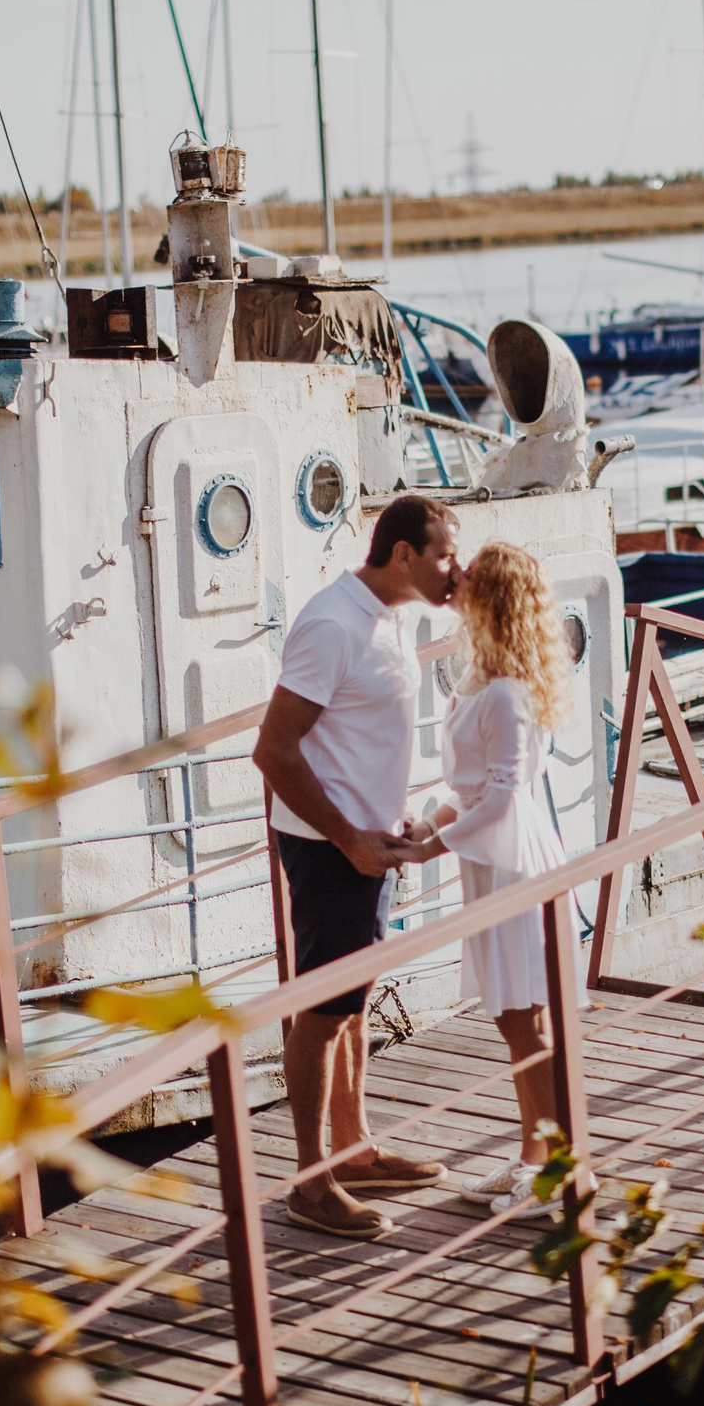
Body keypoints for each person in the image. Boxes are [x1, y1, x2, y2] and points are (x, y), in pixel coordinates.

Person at [251, 493, 458, 1239]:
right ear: (401, 553)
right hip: (327, 845)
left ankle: (355, 1146)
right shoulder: (333, 622)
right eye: (442, 557)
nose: (453, 570)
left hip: (370, 839)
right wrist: (348, 839)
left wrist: (388, 819)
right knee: (324, 1009)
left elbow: (360, 733)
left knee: (354, 1004)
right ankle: (310, 1181)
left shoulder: (393, 618)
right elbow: (273, 750)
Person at [401, 541, 575, 1218]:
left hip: (513, 860)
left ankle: (561, 1166)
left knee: (524, 1015)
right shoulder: (480, 681)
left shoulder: (506, 695)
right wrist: (428, 825)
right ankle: (535, 1156)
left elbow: (504, 798)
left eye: (470, 578)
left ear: (493, 600)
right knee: (510, 1018)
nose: (457, 581)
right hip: (485, 857)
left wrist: (430, 848)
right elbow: (465, 786)